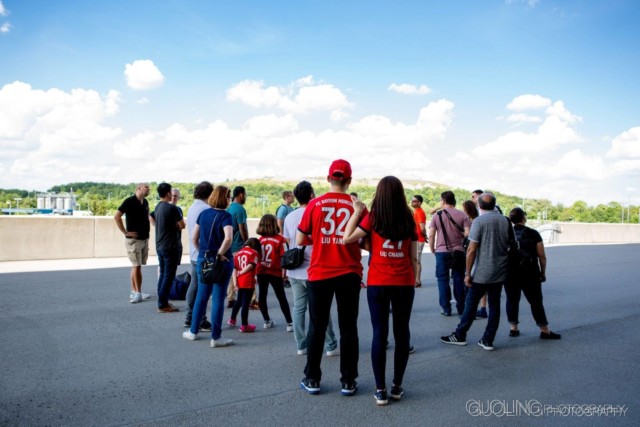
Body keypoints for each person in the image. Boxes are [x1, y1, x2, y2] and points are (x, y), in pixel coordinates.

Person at [343, 176, 418, 406]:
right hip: (404, 281)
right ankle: (397, 386)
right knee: (402, 332)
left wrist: (357, 212)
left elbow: (347, 238)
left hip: (378, 282)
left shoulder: (373, 217)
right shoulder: (409, 217)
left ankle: (380, 390)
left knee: (380, 333)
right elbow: (413, 256)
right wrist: (413, 279)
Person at [297, 159, 363, 396]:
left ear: (328, 179)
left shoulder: (314, 204)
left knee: (317, 325)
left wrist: (322, 241)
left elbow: (300, 239)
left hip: (320, 272)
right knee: (348, 328)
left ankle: (312, 378)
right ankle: (348, 380)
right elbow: (363, 240)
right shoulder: (357, 206)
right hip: (349, 271)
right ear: (349, 181)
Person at [440, 193, 510, 351]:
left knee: (470, 304)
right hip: (499, 270)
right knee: (495, 305)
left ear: (480, 205)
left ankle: (460, 334)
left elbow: (471, 249)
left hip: (481, 272)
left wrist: (467, 273)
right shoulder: (505, 220)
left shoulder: (479, 221)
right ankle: (488, 339)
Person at [282, 181, 339, 357]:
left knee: (299, 307)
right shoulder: (315, 211)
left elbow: (287, 241)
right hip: (314, 268)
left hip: (294, 269)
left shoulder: (290, 216)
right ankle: (330, 344)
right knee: (321, 309)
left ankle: (301, 345)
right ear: (312, 195)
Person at [182, 186, 235, 348]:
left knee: (201, 296)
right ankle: (216, 337)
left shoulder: (203, 214)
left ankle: (193, 331)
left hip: (203, 260)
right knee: (218, 299)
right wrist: (219, 254)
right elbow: (228, 238)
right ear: (224, 198)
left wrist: (203, 252)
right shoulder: (226, 216)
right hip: (221, 262)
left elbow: (194, 238)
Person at [505, 208, 561, 340]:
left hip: (510, 272)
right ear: (524, 218)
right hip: (530, 272)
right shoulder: (533, 233)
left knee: (512, 300)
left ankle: (513, 328)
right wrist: (543, 272)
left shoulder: (506, 234)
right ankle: (544, 330)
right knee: (535, 301)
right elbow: (542, 256)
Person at [428, 191, 470, 316]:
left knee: (442, 280)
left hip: (442, 252)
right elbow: (468, 233)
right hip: (458, 252)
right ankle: (461, 308)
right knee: (458, 279)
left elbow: (431, 234)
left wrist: (432, 249)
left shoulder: (437, 215)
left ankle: (446, 309)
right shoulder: (462, 215)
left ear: (443, 200)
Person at [183, 181, 214, 331]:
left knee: (194, 286)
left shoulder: (192, 208)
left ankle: (189, 317)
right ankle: (200, 319)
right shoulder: (205, 209)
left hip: (194, 253)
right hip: (203, 253)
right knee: (203, 290)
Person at [114, 183, 151, 304]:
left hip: (144, 239)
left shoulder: (145, 202)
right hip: (134, 240)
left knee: (136, 265)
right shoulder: (129, 201)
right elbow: (117, 216)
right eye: (147, 187)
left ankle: (134, 291)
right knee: (136, 266)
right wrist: (125, 232)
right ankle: (137, 293)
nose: (149, 189)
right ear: (139, 188)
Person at [256, 214, 294, 331]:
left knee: (262, 295)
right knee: (281, 296)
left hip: (261, 271)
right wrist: (285, 272)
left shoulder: (260, 240)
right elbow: (285, 256)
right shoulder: (280, 239)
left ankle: (266, 320)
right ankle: (289, 323)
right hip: (275, 271)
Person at [153, 183, 186, 313]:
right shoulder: (172, 208)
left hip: (160, 245)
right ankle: (162, 304)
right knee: (168, 275)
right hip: (170, 246)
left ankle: (163, 301)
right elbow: (182, 225)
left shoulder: (158, 207)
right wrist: (176, 226)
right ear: (167, 194)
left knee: (163, 274)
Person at [228, 238, 262, 333]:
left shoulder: (238, 253)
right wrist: (241, 273)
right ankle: (244, 325)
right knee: (245, 304)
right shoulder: (253, 253)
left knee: (239, 301)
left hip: (239, 281)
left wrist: (235, 282)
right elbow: (251, 265)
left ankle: (232, 319)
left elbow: (234, 269)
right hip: (248, 281)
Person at [463, 200, 486, 319]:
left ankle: (470, 313)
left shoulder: (472, 222)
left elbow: (471, 246)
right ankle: (483, 308)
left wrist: (467, 272)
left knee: (471, 285)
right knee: (483, 286)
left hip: (474, 255)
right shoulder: (480, 220)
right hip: (482, 256)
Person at [227, 186, 249, 308]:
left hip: (230, 246)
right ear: (240, 194)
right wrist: (247, 243)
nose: (245, 197)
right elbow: (243, 228)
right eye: (245, 194)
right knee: (246, 272)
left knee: (232, 272)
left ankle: (231, 297)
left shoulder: (229, 208)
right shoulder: (240, 209)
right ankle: (252, 299)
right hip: (239, 245)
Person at [410, 195, 427, 287]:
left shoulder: (419, 212)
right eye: (412, 201)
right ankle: (415, 279)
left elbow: (422, 227)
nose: (412, 202)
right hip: (417, 238)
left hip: (419, 238)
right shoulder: (416, 211)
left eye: (414, 201)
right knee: (415, 259)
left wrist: (424, 235)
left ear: (419, 202)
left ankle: (417, 280)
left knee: (417, 260)